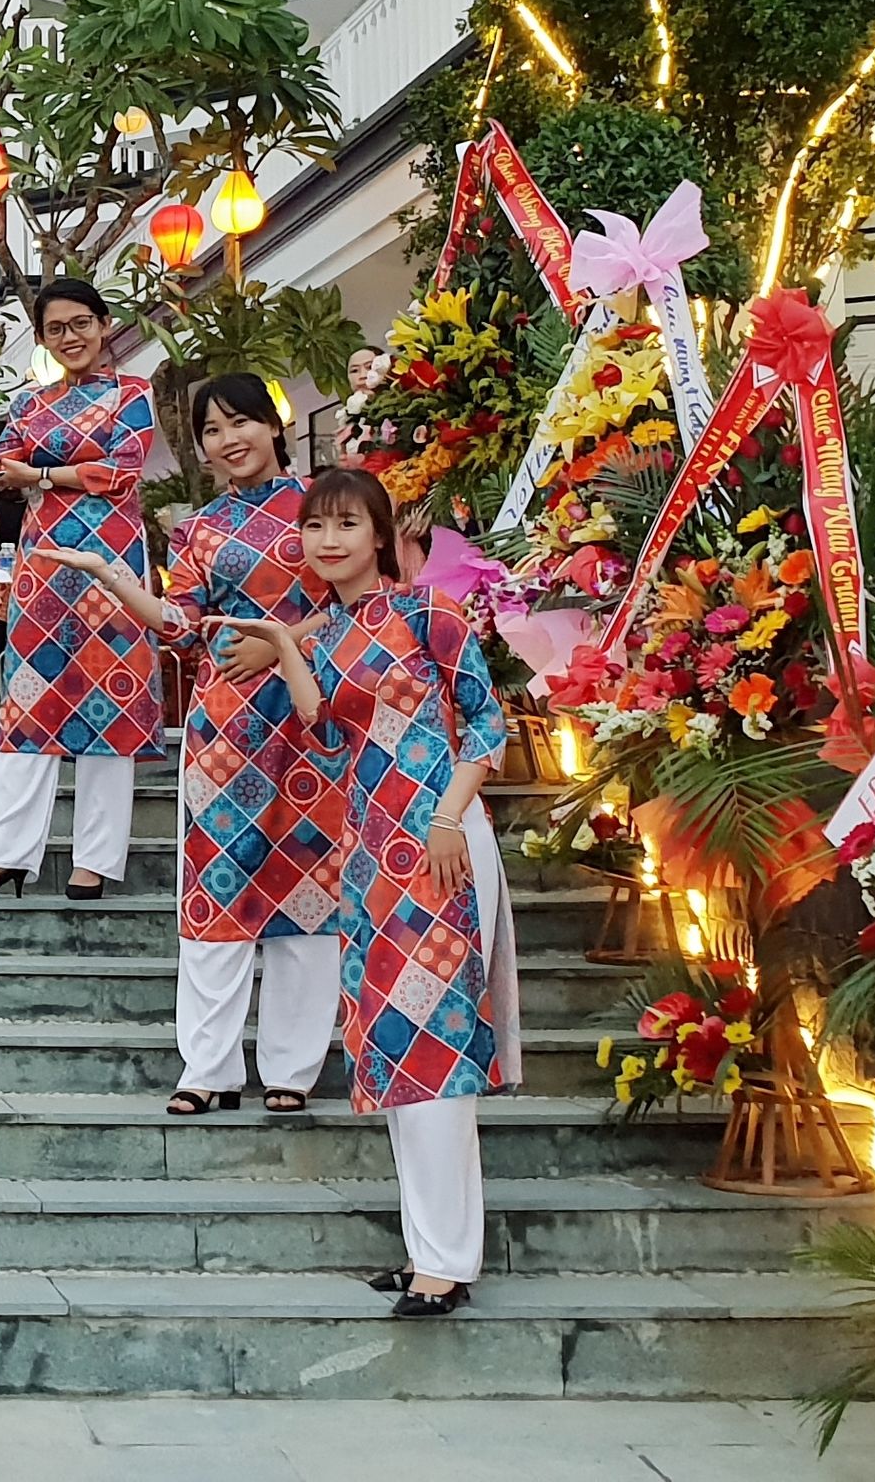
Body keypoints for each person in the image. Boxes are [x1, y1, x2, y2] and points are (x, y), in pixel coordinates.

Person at [35, 373, 339, 1117]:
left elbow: (357, 602)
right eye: (211, 431)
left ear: (275, 426)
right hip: (223, 728)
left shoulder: (325, 510)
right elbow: (178, 621)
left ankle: (292, 1073)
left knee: (307, 892)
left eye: (241, 423)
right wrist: (110, 575)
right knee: (215, 891)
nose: (228, 441)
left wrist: (279, 646)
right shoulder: (198, 528)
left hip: (311, 719)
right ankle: (207, 1069)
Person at [294, 466, 522, 1318]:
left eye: (347, 523)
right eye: (316, 526)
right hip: (368, 854)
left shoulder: (430, 613)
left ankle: (448, 1261)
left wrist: (449, 817)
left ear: (381, 533)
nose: (329, 539)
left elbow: (488, 723)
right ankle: (432, 1249)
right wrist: (287, 647)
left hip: (439, 849)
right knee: (394, 1039)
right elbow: (323, 743)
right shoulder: (325, 635)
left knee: (436, 1039)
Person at [0, 278, 158, 901]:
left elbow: (120, 474)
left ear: (103, 325)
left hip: (113, 560)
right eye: (55, 329)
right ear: (44, 339)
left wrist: (42, 474)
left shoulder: (136, 394)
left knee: (113, 696)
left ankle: (94, 861)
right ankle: (4, 855)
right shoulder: (31, 404)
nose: (69, 337)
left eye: (80, 324)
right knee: (27, 703)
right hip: (43, 564)